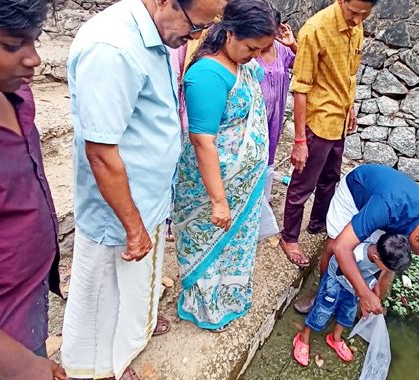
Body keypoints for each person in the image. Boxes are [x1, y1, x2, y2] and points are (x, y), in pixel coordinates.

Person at [61, 0, 224, 378]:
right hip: (118, 209)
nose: (195, 37)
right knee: (102, 292)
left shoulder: (155, 33)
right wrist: (133, 227)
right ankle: (100, 367)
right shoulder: (113, 48)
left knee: (132, 286)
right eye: (194, 26)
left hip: (144, 198)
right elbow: (101, 153)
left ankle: (130, 342)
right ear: (166, 1)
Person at [172, 0, 277, 332]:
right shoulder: (207, 74)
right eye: (251, 47)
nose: (256, 55)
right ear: (229, 32)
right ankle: (205, 308)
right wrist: (218, 200)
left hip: (242, 187)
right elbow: (203, 141)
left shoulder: (242, 64)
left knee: (236, 246)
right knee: (208, 246)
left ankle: (230, 298)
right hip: (211, 188)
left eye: (262, 49)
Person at [0, 1, 66, 379]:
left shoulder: (14, 95)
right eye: (11, 45)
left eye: (35, 42)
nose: (35, 59)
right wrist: (21, 367)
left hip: (26, 301)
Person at [280, 0, 377, 268]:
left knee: (330, 178)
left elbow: (349, 74)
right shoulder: (315, 29)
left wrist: (351, 106)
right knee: (302, 184)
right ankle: (288, 237)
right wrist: (300, 140)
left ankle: (318, 223)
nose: (357, 19)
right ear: (341, 1)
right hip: (317, 122)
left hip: (339, 118)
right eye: (353, 12)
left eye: (364, 14)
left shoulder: (356, 26)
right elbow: (300, 88)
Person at [295, 164, 419, 316]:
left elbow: (391, 257)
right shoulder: (388, 207)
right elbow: (341, 247)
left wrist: (378, 284)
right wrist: (364, 293)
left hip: (385, 207)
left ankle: (350, 295)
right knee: (333, 248)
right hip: (356, 193)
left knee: (382, 254)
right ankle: (321, 295)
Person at [293, 234, 412, 366]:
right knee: (323, 309)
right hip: (335, 282)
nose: (388, 272)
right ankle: (303, 337)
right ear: (376, 258)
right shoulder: (356, 254)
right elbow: (342, 273)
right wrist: (363, 294)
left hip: (356, 289)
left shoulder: (379, 259)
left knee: (348, 312)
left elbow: (376, 275)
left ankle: (335, 337)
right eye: (388, 269)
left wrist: (374, 292)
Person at [256, 9, 297, 240]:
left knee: (269, 160)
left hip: (274, 119)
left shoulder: (281, 50)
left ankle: (262, 207)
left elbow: (305, 66)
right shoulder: (249, 53)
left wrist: (293, 45)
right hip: (254, 120)